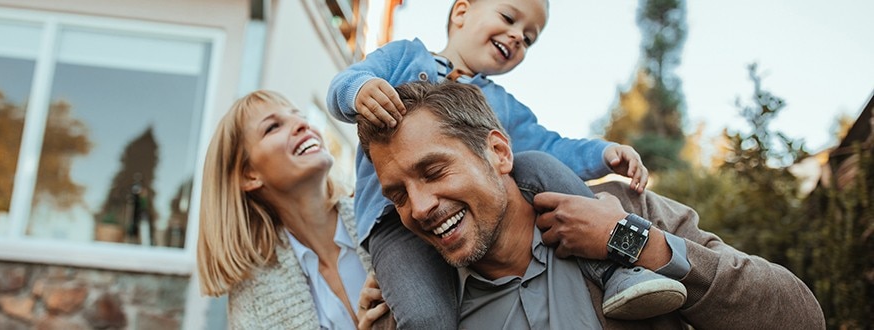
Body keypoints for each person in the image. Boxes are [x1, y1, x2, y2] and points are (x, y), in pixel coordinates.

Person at [357, 81, 825, 329]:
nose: (418, 207)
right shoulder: (419, 307)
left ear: (499, 152)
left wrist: (635, 243)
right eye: (397, 195)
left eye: (434, 172)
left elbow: (799, 319)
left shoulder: (622, 209)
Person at [327, 0, 677, 326]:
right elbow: (343, 82)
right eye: (509, 18)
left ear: (499, 148)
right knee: (423, 316)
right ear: (461, 13)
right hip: (392, 224)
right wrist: (360, 90)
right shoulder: (403, 57)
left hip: (468, 217)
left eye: (528, 39)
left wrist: (601, 154)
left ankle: (613, 271)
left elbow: (550, 145)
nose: (516, 37)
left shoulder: (502, 106)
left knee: (537, 164)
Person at [195, 90, 390, 329]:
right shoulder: (252, 302)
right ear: (249, 175)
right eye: (273, 127)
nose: (302, 124)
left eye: (298, 115)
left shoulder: (383, 216)